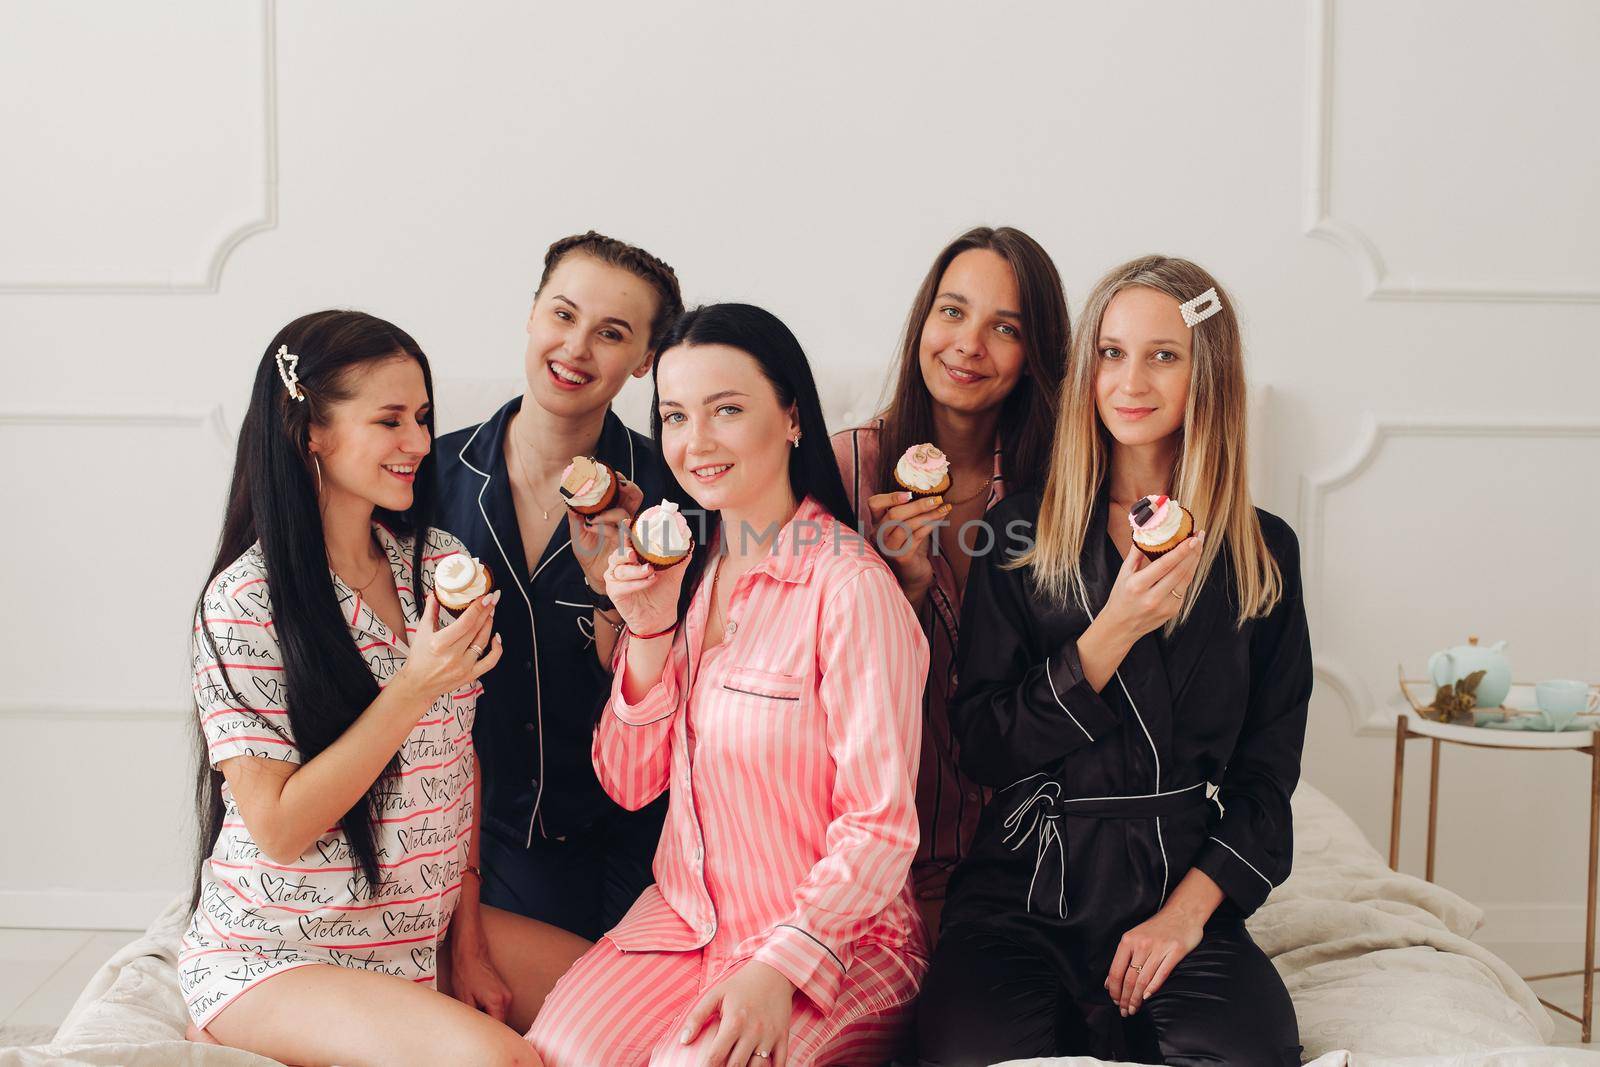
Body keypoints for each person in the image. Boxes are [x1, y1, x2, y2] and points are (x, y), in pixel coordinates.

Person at [916, 257, 1310, 1066]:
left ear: (1209, 373)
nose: (1130, 380)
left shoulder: (1263, 551)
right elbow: (984, 742)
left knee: (1249, 1051)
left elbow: (1265, 781)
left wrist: (1186, 914)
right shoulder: (1019, 532)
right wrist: (1111, 632)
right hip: (1024, 891)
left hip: (1171, 884)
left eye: (1163, 354)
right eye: (1110, 352)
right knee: (961, 1053)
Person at [181, 310, 586, 1066]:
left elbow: (454, 769)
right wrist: (411, 684)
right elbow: (277, 827)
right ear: (312, 435)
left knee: (641, 1009)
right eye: (391, 420)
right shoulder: (245, 601)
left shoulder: (439, 564)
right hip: (277, 955)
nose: (421, 443)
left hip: (420, 932)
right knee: (504, 1061)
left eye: (424, 417)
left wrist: (465, 941)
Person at [528, 304, 929, 1066]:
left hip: (840, 943)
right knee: (552, 1054)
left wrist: (779, 965)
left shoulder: (849, 588)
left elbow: (879, 825)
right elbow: (629, 783)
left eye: (728, 410)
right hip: (682, 927)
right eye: (675, 415)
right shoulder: (691, 574)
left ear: (792, 419)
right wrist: (646, 627)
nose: (695, 442)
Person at [435, 232, 684, 938]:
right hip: (474, 836)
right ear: (532, 314)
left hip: (640, 831)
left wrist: (614, 592)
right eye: (564, 315)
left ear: (645, 363)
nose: (576, 348)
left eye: (612, 333)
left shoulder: (670, 497)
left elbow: (673, 683)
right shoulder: (432, 480)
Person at [831, 225, 1069, 939]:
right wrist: (900, 593)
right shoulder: (842, 473)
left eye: (1007, 327)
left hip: (1026, 862)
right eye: (953, 311)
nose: (970, 343)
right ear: (923, 322)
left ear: (1034, 357)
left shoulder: (1063, 493)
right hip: (878, 864)